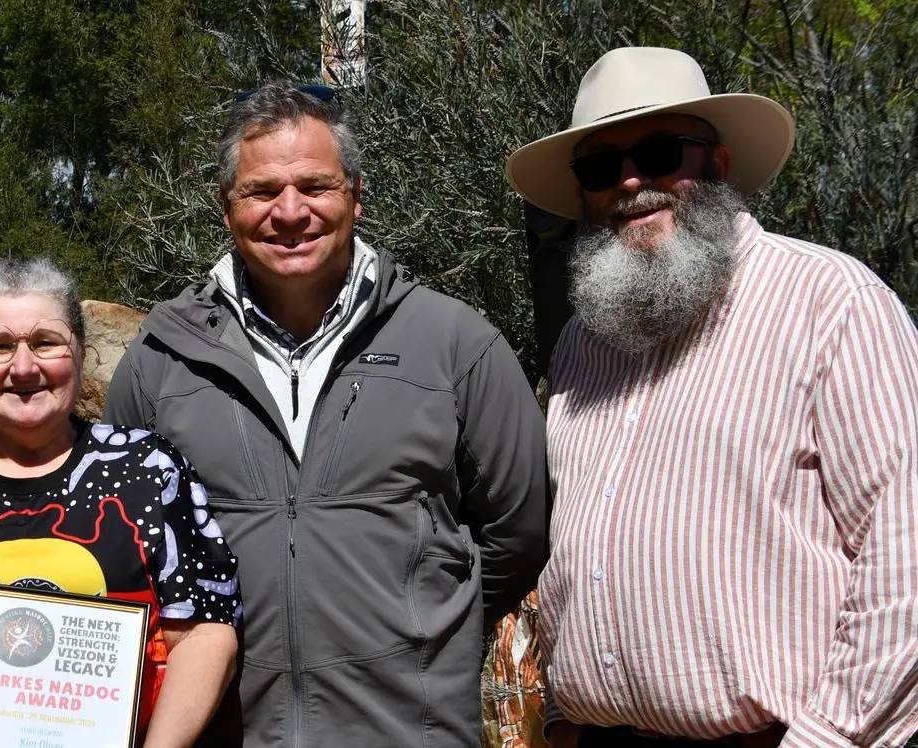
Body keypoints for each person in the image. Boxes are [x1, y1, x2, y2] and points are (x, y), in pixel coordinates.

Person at [104, 81, 549, 747]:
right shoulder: (162, 358)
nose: (290, 211)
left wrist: (418, 632)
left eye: (315, 185)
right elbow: (124, 544)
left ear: (356, 195)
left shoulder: (455, 344)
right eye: (261, 191)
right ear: (226, 207)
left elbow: (518, 532)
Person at [505, 46, 918, 748]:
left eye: (662, 153)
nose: (632, 181)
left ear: (718, 167)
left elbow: (904, 566)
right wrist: (567, 720)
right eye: (601, 167)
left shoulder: (830, 304)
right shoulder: (582, 344)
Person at [0, 258, 240, 748]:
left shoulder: (148, 468)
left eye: (45, 343)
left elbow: (207, 633)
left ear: (80, 351)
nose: (23, 367)